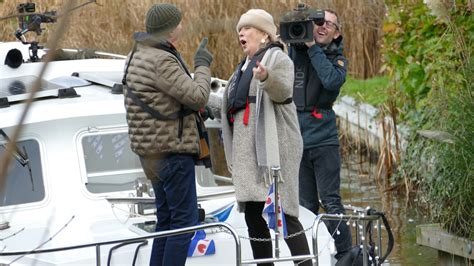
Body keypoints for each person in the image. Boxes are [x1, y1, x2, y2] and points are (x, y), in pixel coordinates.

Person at [122, 3, 213, 266]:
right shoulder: (161, 59)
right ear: (172, 29)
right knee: (184, 223)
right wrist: (202, 65)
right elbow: (197, 96)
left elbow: (160, 99)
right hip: (171, 152)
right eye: (180, 23)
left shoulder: (138, 53)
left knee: (167, 220)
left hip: (151, 152)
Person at [220, 9, 311, 266]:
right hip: (247, 153)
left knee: (285, 213)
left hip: (274, 151)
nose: (241, 32)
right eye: (240, 29)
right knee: (253, 215)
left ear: (264, 34)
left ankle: (306, 263)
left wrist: (267, 77)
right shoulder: (241, 67)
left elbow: (283, 90)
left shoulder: (278, 58)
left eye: (247, 28)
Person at [288, 9, 352, 262]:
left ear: (337, 33)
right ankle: (310, 257)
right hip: (297, 139)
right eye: (318, 22)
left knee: (331, 201)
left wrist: (314, 47)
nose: (322, 26)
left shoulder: (338, 60)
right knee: (305, 205)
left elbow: (330, 81)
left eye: (329, 24)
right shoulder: (297, 51)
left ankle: (347, 254)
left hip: (323, 139)